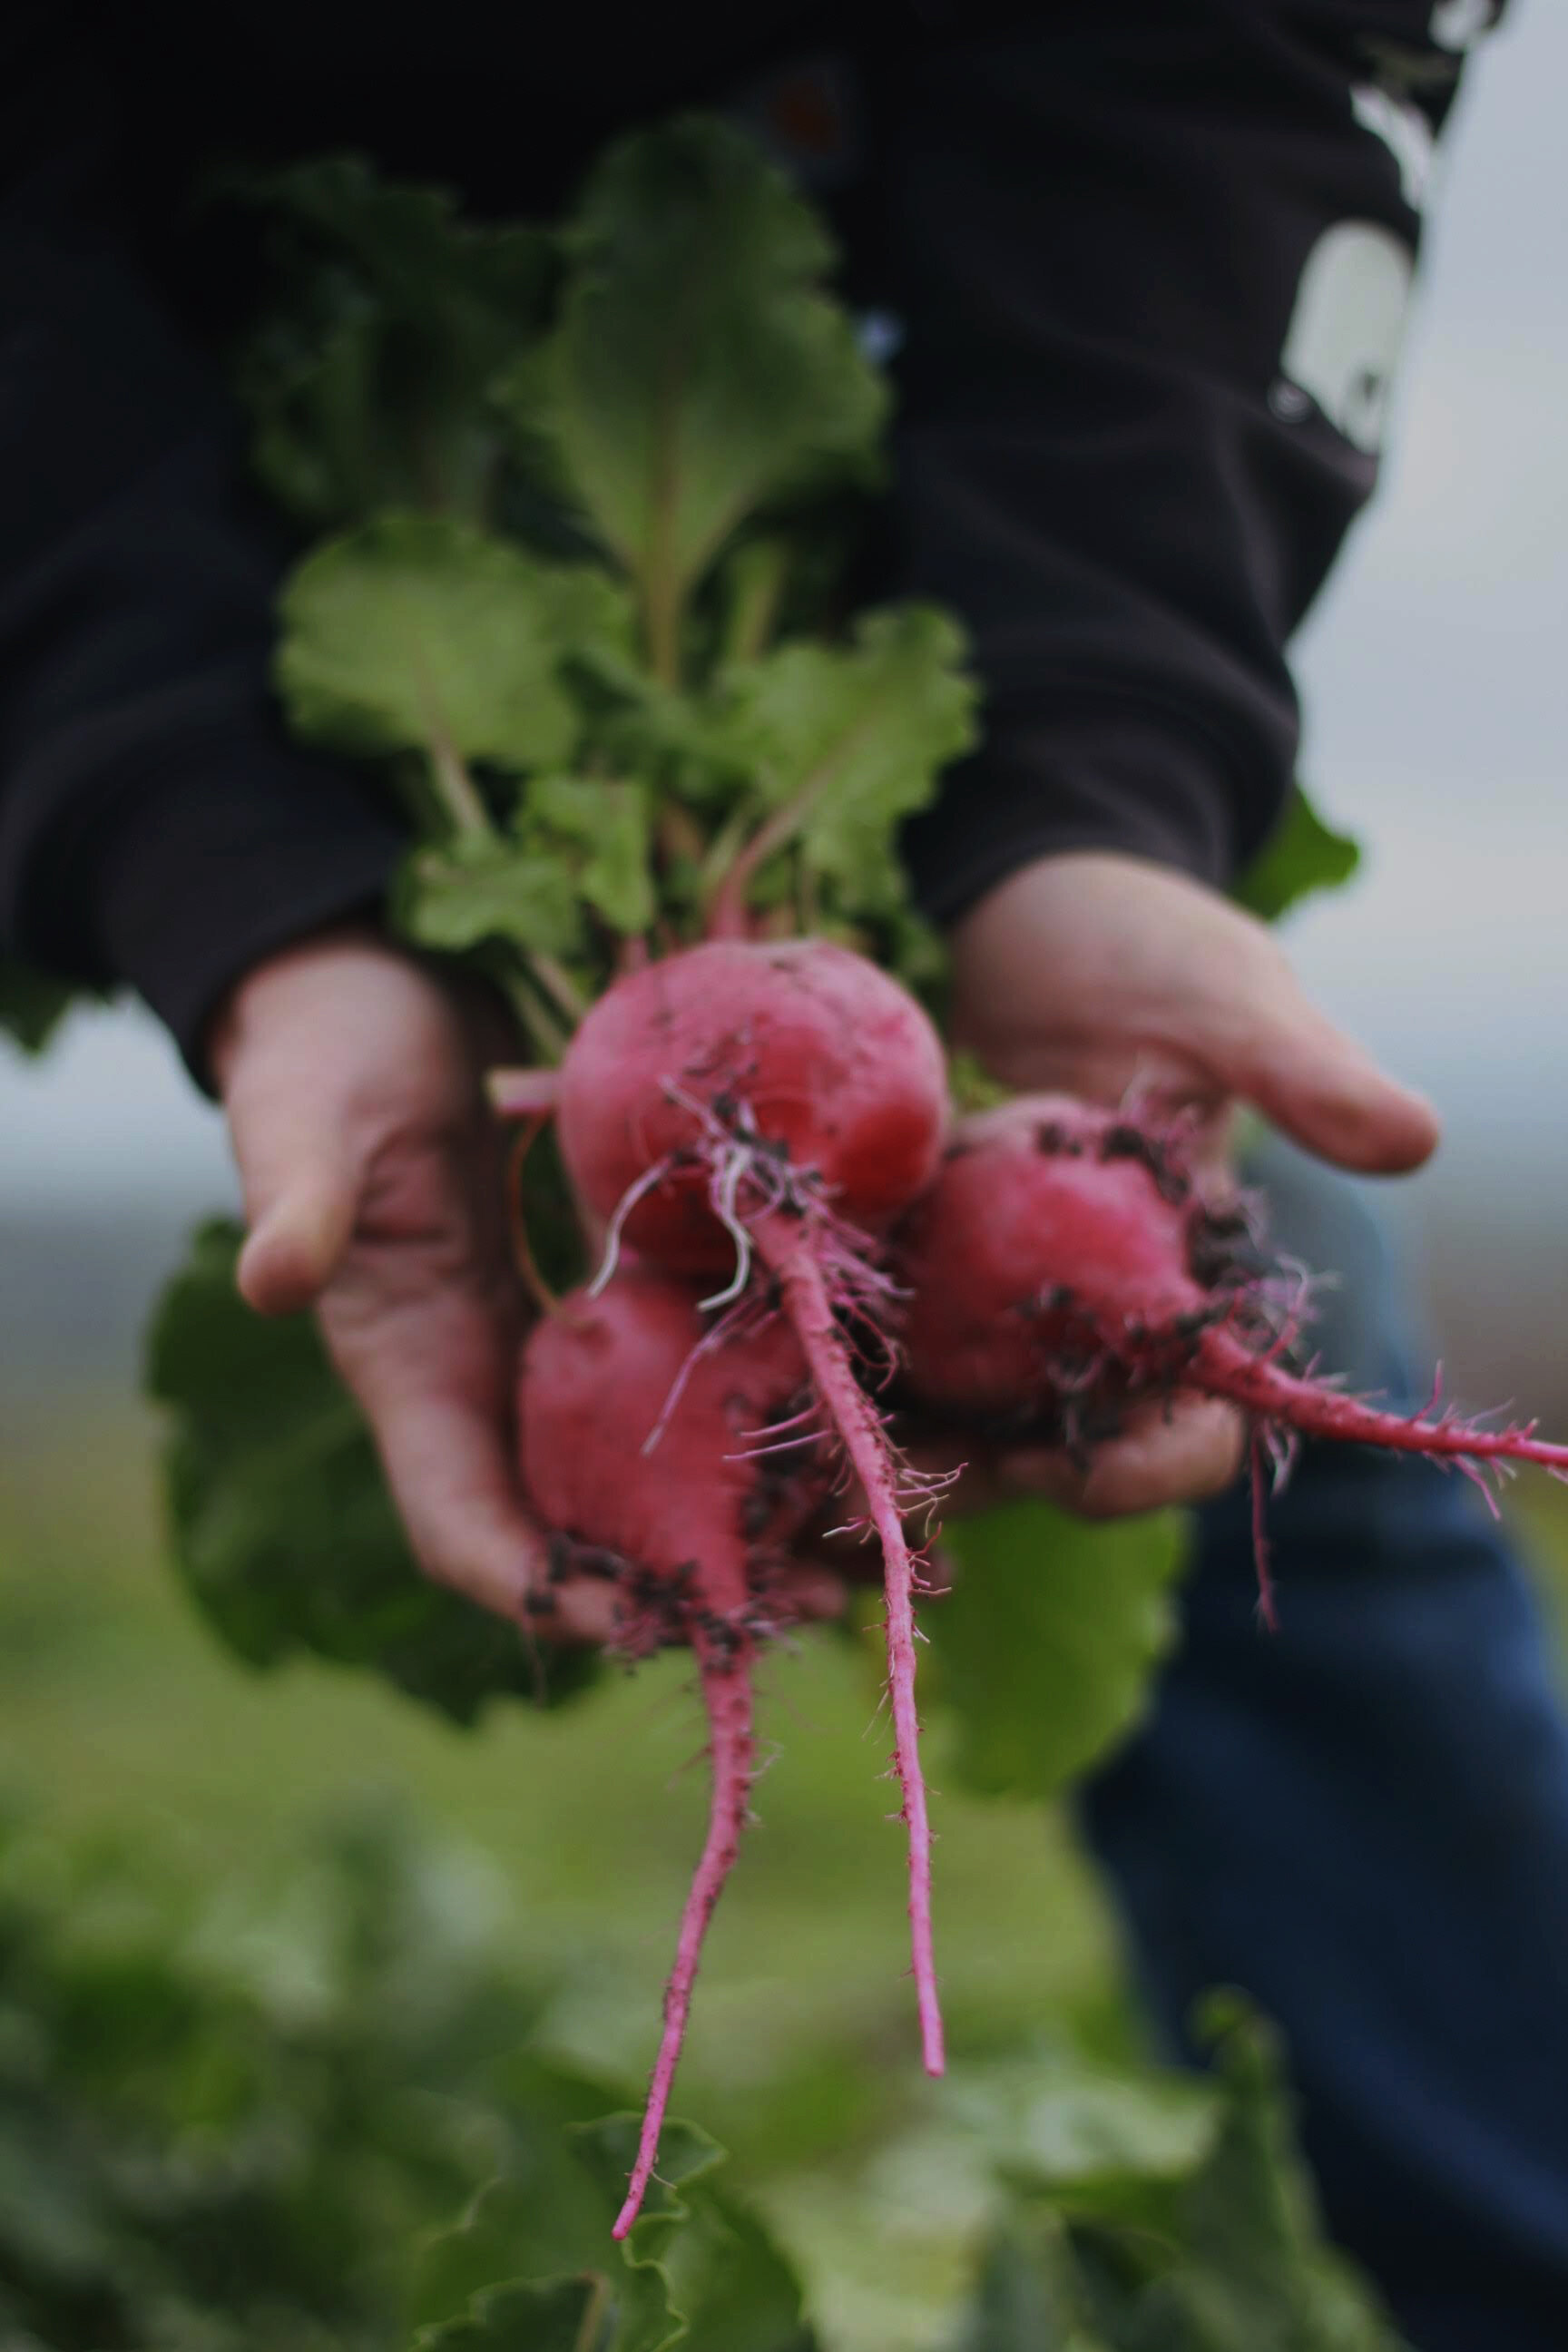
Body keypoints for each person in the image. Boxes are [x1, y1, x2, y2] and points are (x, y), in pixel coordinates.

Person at [5, 3, 1564, 2343]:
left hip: (859, 276)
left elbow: (1232, 75)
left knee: (1257, 1301)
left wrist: (1093, 777)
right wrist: (220, 863)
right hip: (139, 402)